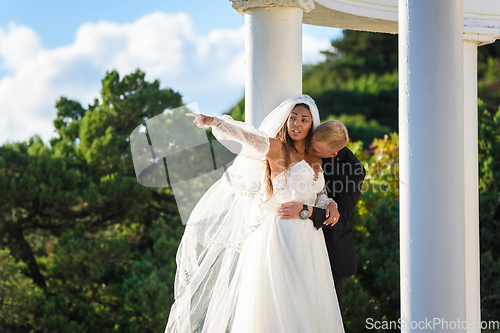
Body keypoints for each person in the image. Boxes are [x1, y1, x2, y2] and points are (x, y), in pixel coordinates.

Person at [165, 94, 347, 333]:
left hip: (310, 239)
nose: (297, 124)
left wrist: (330, 203)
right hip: (283, 232)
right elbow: (247, 137)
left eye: (304, 120)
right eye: (293, 118)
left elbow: (317, 193)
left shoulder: (315, 158)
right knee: (281, 298)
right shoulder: (276, 147)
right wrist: (214, 121)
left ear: (311, 125)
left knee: (308, 299)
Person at [278, 120, 366, 313]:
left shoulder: (353, 169)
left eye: (317, 151)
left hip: (329, 250)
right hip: (291, 240)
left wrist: (305, 211)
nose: (310, 150)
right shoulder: (302, 142)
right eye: (311, 143)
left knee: (324, 315)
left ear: (333, 154)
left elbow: (340, 218)